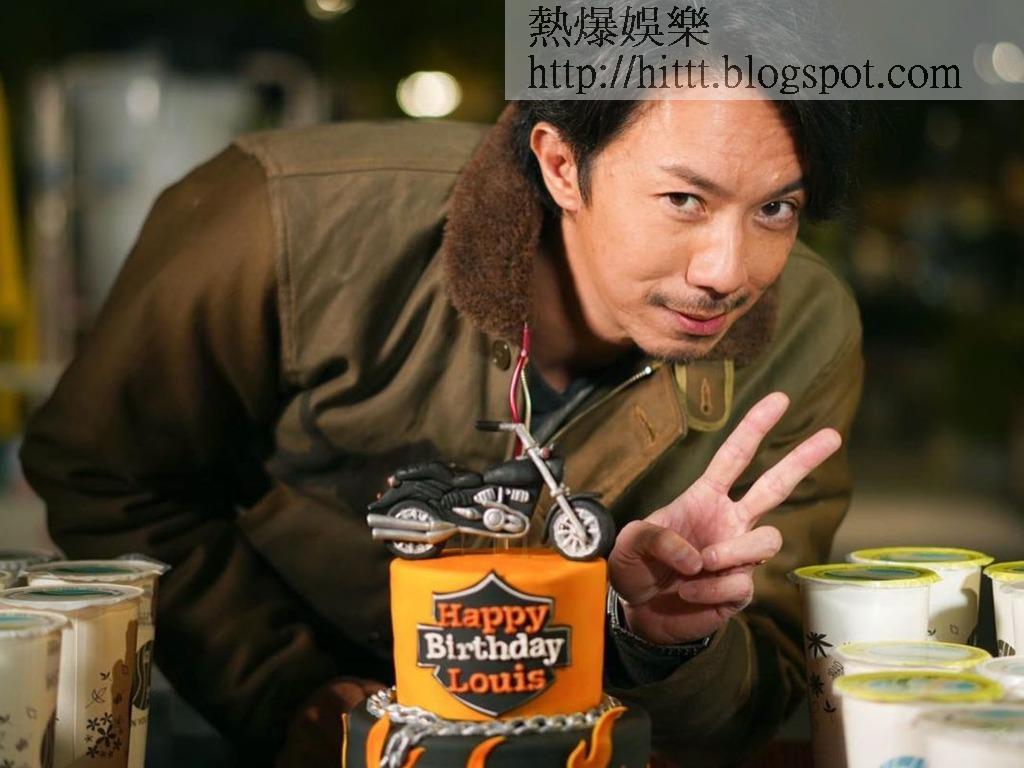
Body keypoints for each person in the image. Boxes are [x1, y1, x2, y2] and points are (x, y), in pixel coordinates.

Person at [19, 92, 862, 767]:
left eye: (776, 208)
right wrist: (287, 692)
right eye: (684, 199)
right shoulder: (291, 225)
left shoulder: (802, 331)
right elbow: (104, 469)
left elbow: (752, 705)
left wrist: (671, 644)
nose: (727, 271)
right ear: (562, 164)